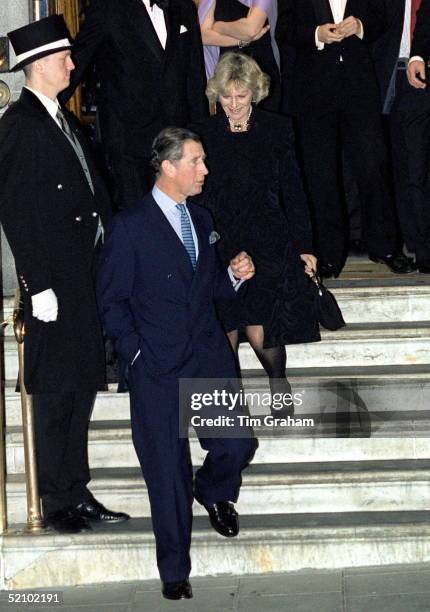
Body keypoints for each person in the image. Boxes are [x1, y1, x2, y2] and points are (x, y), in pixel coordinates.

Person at [96, 127, 258, 600]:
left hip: (206, 357)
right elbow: (110, 302)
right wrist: (137, 352)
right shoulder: (130, 227)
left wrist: (232, 274)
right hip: (157, 367)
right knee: (166, 474)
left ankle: (211, 489)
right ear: (168, 167)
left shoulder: (201, 217)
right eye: (196, 161)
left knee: (237, 444)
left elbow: (206, 291)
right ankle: (174, 571)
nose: (204, 170)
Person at [0, 16, 128, 533]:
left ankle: (76, 488)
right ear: (35, 66)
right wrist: (37, 285)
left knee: (81, 386)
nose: (73, 66)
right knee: (55, 391)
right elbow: (14, 211)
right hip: (53, 280)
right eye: (63, 59)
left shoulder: (61, 117)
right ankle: (55, 500)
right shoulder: (17, 125)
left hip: (84, 274)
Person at [190, 52, 320, 416]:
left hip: (267, 238)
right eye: (226, 96)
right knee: (224, 324)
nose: (232, 105)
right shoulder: (202, 133)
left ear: (255, 93)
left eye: (241, 97)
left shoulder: (277, 129)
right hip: (219, 240)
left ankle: (278, 386)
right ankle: (230, 408)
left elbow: (294, 191)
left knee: (263, 324)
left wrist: (304, 246)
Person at [276, 0, 416, 277]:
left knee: (373, 166)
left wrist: (361, 27)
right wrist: (317, 34)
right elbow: (285, 29)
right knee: (320, 174)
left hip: (359, 85)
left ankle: (385, 247)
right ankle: (329, 254)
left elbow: (383, 20)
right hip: (313, 90)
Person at [59, 0, 208, 209]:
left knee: (177, 219)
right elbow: (76, 64)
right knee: (137, 223)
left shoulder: (182, 6)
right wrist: (43, 106)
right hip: (127, 143)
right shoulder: (108, 8)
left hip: (176, 139)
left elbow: (195, 77)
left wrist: (201, 134)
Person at [198, 0, 281, 111]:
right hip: (226, 71)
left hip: (261, 67)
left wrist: (219, 26)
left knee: (264, 119)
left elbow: (250, 30)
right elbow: (203, 36)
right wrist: (242, 41)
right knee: (229, 119)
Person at [402, 0, 430, 272]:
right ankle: (425, 248)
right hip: (423, 83)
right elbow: (426, 18)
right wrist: (417, 56)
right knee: (416, 169)